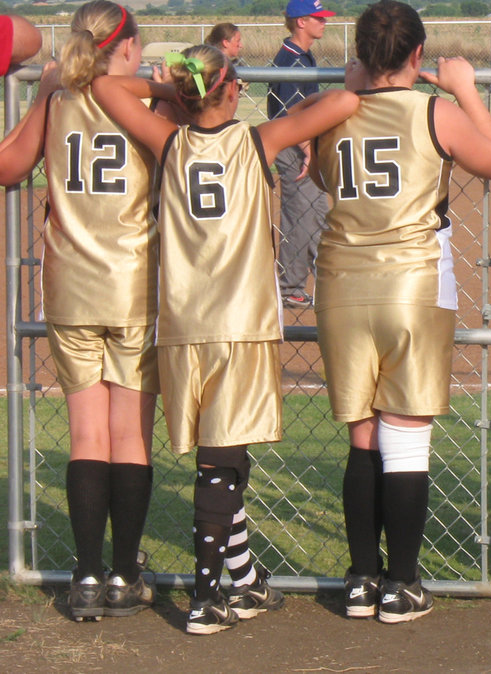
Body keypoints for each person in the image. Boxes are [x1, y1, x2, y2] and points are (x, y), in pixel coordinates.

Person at [91, 43, 358, 635]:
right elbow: (343, 98)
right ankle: (207, 598)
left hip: (184, 324)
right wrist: (299, 109)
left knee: (223, 457)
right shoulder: (257, 141)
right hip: (240, 322)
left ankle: (243, 579)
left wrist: (170, 94)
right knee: (221, 466)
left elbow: (109, 90)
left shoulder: (171, 140)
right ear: (233, 89)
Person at [308, 0, 491, 623]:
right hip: (413, 281)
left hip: (342, 281)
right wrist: (466, 91)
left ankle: (362, 579)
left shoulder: (338, 111)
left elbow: (320, 178)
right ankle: (402, 583)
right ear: (417, 55)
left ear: (363, 56)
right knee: (406, 436)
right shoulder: (434, 109)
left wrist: (349, 93)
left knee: (362, 434)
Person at [0, 1, 160, 623]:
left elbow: (11, 167)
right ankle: (125, 574)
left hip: (70, 285)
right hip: (133, 284)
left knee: (87, 435)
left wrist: (41, 95)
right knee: (129, 436)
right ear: (126, 48)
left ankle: (86, 575)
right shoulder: (144, 100)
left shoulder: (60, 98)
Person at [267, 0, 335, 308]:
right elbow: (288, 112)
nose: (324, 22)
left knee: (316, 212)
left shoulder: (301, 56)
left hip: (302, 144)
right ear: (300, 22)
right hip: (295, 147)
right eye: (317, 18)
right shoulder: (292, 59)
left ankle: (319, 279)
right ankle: (288, 287)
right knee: (300, 216)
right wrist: (308, 149)